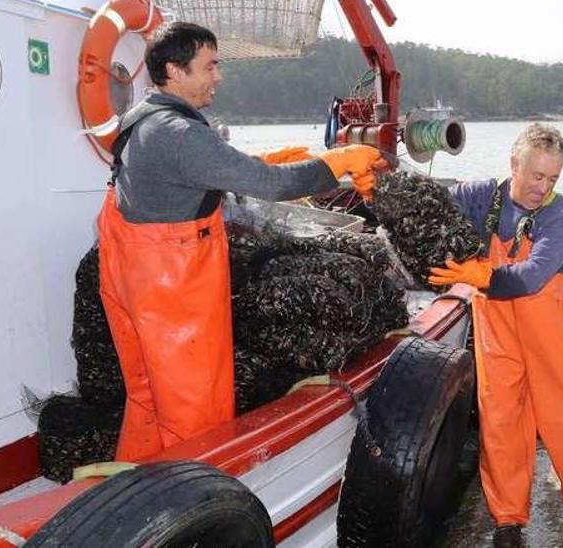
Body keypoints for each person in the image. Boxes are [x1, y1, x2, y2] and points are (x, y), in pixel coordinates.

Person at [98, 22, 386, 461]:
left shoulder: (143, 121)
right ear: (175, 71)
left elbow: (204, 169)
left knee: (147, 399)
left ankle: (132, 484)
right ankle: (192, 510)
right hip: (174, 295)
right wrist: (336, 162)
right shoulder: (180, 134)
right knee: (195, 413)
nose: (219, 76)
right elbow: (269, 186)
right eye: (210, 66)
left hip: (135, 279)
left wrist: (270, 157)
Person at [425, 124, 563, 548]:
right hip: (496, 324)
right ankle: (507, 518)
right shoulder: (479, 196)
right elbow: (429, 210)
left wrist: (480, 273)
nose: (544, 187)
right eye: (537, 176)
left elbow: (532, 276)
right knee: (502, 417)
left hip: (550, 322)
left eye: (553, 178)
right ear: (513, 164)